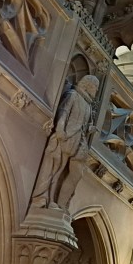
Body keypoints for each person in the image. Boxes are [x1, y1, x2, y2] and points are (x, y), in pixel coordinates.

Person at [31, 75, 100, 210]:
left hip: (76, 142)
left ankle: (56, 202)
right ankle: (48, 200)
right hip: (66, 138)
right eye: (95, 87)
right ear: (88, 85)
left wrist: (89, 128)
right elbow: (64, 113)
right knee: (55, 169)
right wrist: (60, 130)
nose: (96, 91)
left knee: (64, 171)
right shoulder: (73, 95)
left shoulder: (88, 105)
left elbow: (83, 125)